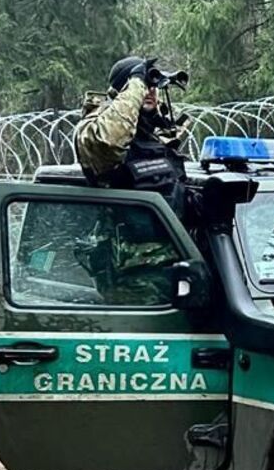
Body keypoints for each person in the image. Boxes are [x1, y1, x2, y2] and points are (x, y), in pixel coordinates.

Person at [73, 56, 193, 306]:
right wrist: (136, 82)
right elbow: (109, 140)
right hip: (130, 281)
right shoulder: (94, 135)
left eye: (154, 87)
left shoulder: (156, 139)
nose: (150, 91)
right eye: (143, 86)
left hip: (175, 271)